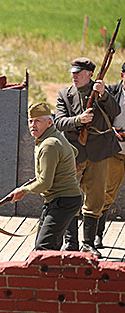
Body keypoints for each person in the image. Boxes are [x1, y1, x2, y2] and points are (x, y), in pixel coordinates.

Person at [55, 57, 120, 257]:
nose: (74, 76)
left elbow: (115, 111)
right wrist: (78, 120)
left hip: (99, 153)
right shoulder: (64, 94)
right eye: (72, 72)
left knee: (96, 199)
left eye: (78, 72)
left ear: (90, 74)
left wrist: (103, 95)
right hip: (74, 153)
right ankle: (70, 242)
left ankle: (89, 243)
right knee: (70, 196)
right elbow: (59, 122)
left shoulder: (103, 91)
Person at [9, 103, 82, 250]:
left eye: (38, 121)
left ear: (49, 122)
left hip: (63, 201)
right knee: (46, 247)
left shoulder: (49, 144)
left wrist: (24, 190)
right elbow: (74, 152)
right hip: (59, 200)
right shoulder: (54, 137)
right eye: (30, 121)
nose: (32, 125)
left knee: (44, 248)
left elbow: (45, 183)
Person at [98, 62, 125, 248]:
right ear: (123, 76)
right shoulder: (112, 92)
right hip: (115, 152)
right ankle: (97, 234)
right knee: (105, 195)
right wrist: (111, 131)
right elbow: (99, 117)